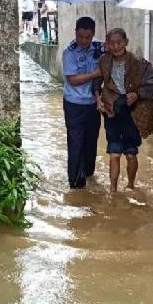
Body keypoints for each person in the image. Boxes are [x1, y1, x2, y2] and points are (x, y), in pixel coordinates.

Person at [94, 28, 153, 192]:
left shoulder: (139, 63)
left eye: (119, 42)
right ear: (108, 44)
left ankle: (131, 186)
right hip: (111, 111)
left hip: (132, 114)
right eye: (112, 43)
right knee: (114, 152)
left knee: (131, 153)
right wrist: (98, 99)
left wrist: (138, 94)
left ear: (126, 42)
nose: (116, 46)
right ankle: (113, 191)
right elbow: (96, 82)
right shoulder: (104, 61)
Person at [62, 17, 103, 189]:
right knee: (76, 142)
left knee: (91, 141)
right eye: (81, 37)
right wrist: (95, 74)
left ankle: (88, 175)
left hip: (94, 104)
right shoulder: (69, 52)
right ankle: (75, 184)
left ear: (93, 34)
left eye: (88, 37)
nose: (84, 41)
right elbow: (73, 79)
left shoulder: (101, 48)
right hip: (74, 104)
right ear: (76, 33)